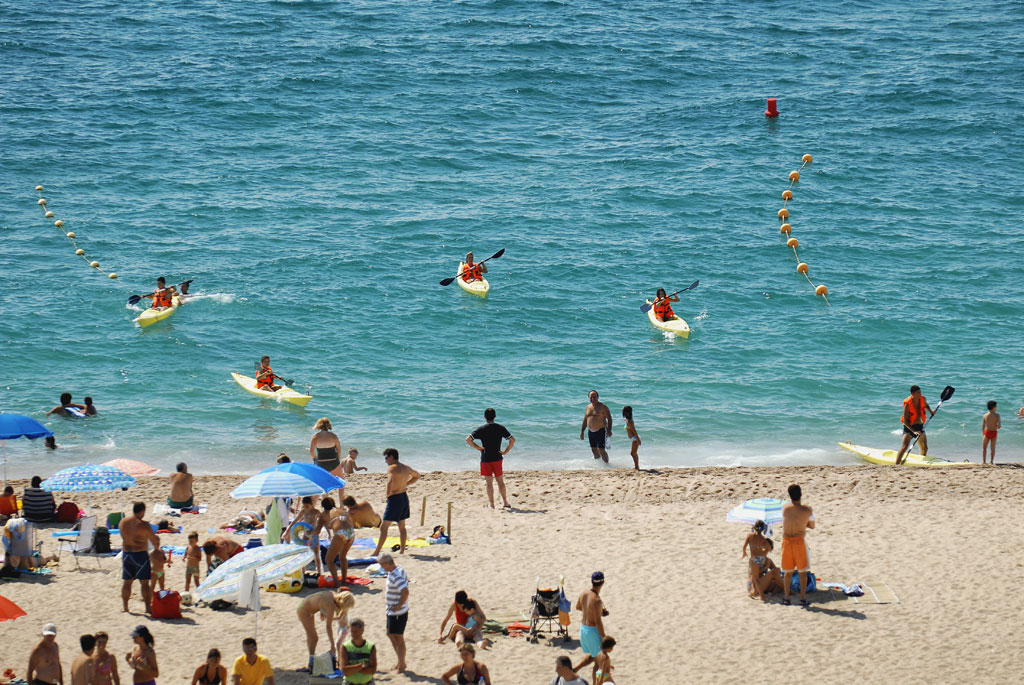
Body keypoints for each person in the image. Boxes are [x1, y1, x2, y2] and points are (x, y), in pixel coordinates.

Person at [371, 449, 420, 557]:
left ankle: (376, 552)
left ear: (391, 457)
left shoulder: (392, 468)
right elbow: (417, 475)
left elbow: (390, 481)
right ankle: (402, 550)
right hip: (403, 497)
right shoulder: (406, 467)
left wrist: (388, 494)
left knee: (384, 528)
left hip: (395, 498)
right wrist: (406, 484)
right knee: (402, 526)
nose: (385, 461)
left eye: (386, 458)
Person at [466, 408, 515, 509]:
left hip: (486, 458)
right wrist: (506, 451)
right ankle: (505, 502)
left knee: (489, 483)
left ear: (484, 417)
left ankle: (492, 504)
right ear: (495, 416)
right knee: (500, 481)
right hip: (497, 457)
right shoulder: (500, 428)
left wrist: (478, 448)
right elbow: (512, 440)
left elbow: (468, 439)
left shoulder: (482, 429)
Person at [296, 590, 355, 671]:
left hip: (307, 606)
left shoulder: (333, 595)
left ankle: (312, 662)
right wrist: (332, 645)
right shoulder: (330, 605)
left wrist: (321, 609)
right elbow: (328, 627)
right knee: (313, 637)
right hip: (304, 610)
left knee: (312, 637)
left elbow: (320, 598)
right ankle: (311, 663)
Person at [120, 502, 161, 614]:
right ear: (142, 511)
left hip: (126, 554)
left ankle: (125, 607)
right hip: (140, 554)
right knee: (144, 583)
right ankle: (148, 608)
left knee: (127, 582)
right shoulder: (144, 525)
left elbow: (123, 536)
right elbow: (154, 540)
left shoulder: (123, 522)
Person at [781, 484, 815, 607]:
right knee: (802, 572)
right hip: (799, 541)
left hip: (786, 542)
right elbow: (812, 526)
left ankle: (786, 598)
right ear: (801, 494)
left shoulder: (785, 508)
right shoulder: (807, 510)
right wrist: (803, 522)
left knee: (787, 572)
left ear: (789, 496)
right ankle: (802, 598)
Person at [379, 552, 409, 673]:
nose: (381, 567)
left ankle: (401, 665)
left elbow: (405, 592)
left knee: (399, 638)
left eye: (382, 565)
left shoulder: (395, 575)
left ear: (386, 563)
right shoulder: (398, 569)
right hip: (393, 611)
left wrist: (398, 605)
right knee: (390, 633)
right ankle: (400, 660)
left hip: (398, 612)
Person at [573, 572, 606, 676]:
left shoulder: (584, 593)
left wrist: (591, 611)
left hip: (583, 629)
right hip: (592, 631)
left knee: (594, 655)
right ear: (603, 583)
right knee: (598, 663)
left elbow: (578, 607)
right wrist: (604, 637)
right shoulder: (597, 600)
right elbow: (598, 622)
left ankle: (575, 669)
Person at [894, 385, 935, 465]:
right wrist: (914, 431)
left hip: (919, 425)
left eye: (920, 392)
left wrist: (931, 411)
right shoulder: (908, 403)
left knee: (925, 447)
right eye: (918, 392)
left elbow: (926, 405)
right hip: (909, 427)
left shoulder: (922, 398)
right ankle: (896, 465)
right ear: (913, 394)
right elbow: (905, 421)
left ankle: (921, 462)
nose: (920, 394)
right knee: (904, 447)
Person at [284, 496, 324, 576]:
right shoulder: (303, 512)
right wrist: (287, 531)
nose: (305, 508)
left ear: (312, 504)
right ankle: (303, 573)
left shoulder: (316, 512)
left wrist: (315, 530)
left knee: (316, 554)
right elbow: (294, 521)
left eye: (307, 506)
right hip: (305, 534)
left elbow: (321, 522)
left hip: (314, 534)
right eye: (304, 506)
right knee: (303, 553)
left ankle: (319, 572)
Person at [321, 497, 355, 586]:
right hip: (351, 532)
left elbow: (317, 531)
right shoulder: (341, 510)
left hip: (340, 533)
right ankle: (343, 581)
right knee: (342, 557)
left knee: (329, 559)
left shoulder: (324, 514)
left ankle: (336, 583)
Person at [339, 618, 376, 685]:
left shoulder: (370, 646)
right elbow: (344, 671)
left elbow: (372, 670)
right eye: (352, 631)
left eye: (356, 631)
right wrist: (362, 666)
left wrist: (352, 669)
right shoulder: (345, 647)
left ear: (362, 631)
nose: (353, 634)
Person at [742, 520, 771, 602]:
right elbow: (768, 547)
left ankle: (762, 596)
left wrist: (744, 553)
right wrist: (764, 553)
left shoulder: (750, 536)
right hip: (761, 558)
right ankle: (754, 590)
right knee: (755, 575)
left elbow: (744, 546)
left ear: (754, 527)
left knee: (755, 577)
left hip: (754, 559)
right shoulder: (762, 538)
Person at [580, 390, 612, 463]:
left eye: (594, 397)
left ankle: (607, 465)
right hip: (591, 432)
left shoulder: (603, 406)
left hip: (601, 430)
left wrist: (609, 430)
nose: (593, 398)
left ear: (598, 397)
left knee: (601, 449)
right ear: (589, 398)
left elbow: (609, 418)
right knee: (594, 449)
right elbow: (585, 420)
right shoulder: (588, 407)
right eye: (591, 397)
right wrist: (582, 432)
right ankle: (599, 464)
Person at [982, 400, 1001, 465]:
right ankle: (991, 461)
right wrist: (995, 426)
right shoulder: (997, 415)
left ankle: (984, 462)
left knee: (984, 448)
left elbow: (983, 426)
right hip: (994, 432)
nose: (996, 407)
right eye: (996, 406)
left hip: (987, 432)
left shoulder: (985, 415)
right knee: (992, 448)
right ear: (993, 407)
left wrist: (983, 434)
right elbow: (999, 426)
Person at [621, 406, 640, 471]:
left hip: (635, 439)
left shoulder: (629, 421)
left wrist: (638, 439)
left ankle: (637, 467)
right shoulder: (627, 419)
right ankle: (637, 466)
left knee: (633, 453)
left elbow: (634, 431)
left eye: (623, 411)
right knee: (633, 453)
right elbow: (624, 418)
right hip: (633, 439)